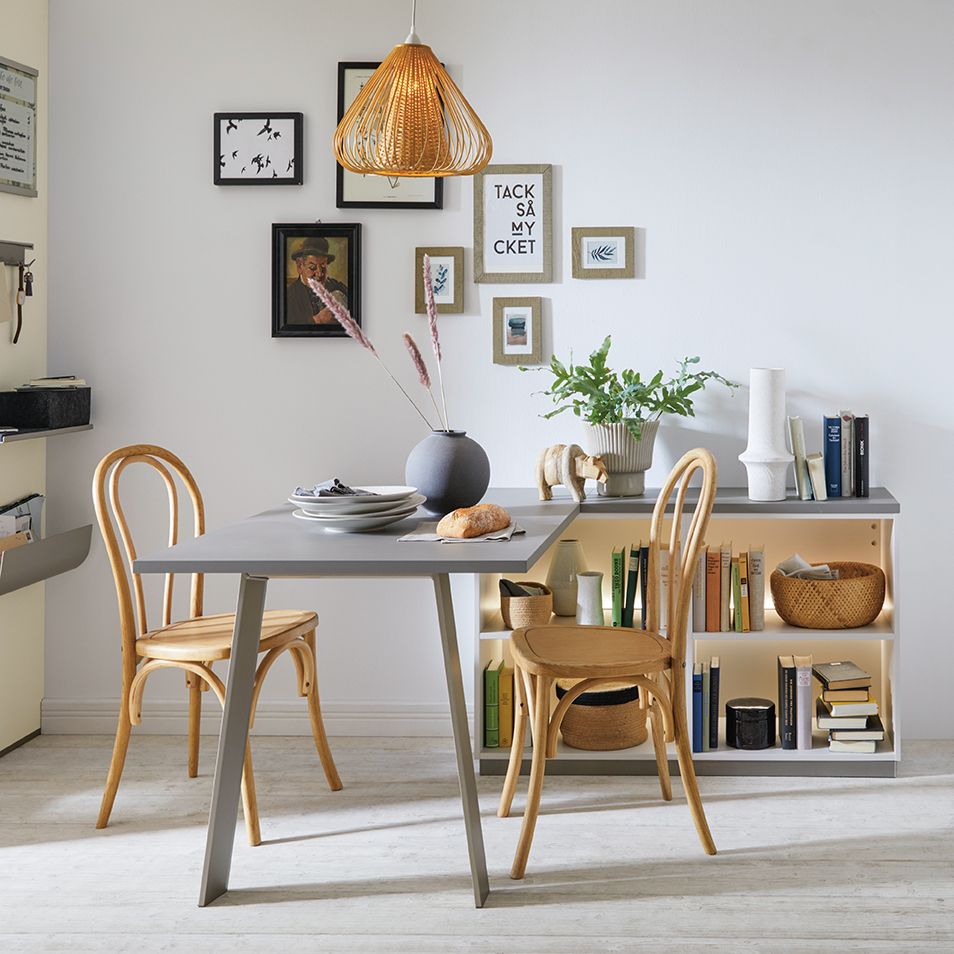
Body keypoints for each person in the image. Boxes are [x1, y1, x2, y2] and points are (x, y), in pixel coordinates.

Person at [285, 237, 349, 325]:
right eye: (312, 267)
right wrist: (317, 320)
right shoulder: (289, 296)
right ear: (300, 266)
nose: (319, 274)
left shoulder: (337, 287)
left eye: (323, 266)